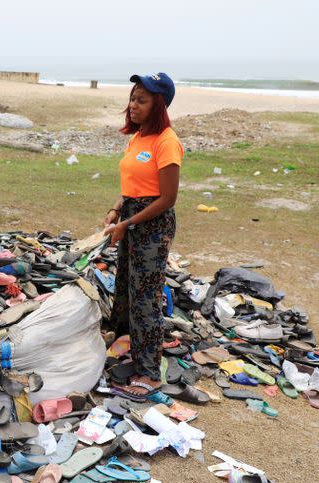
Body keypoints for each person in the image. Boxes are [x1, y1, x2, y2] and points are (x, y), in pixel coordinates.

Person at [103, 72, 183, 398]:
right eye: (132, 98)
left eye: (142, 100)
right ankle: (126, 342)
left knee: (146, 297)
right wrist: (116, 209)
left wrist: (128, 223)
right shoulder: (138, 139)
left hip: (153, 225)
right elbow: (133, 185)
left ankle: (149, 371)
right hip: (132, 218)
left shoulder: (167, 141)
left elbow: (166, 198)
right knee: (125, 285)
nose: (133, 105)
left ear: (158, 104)